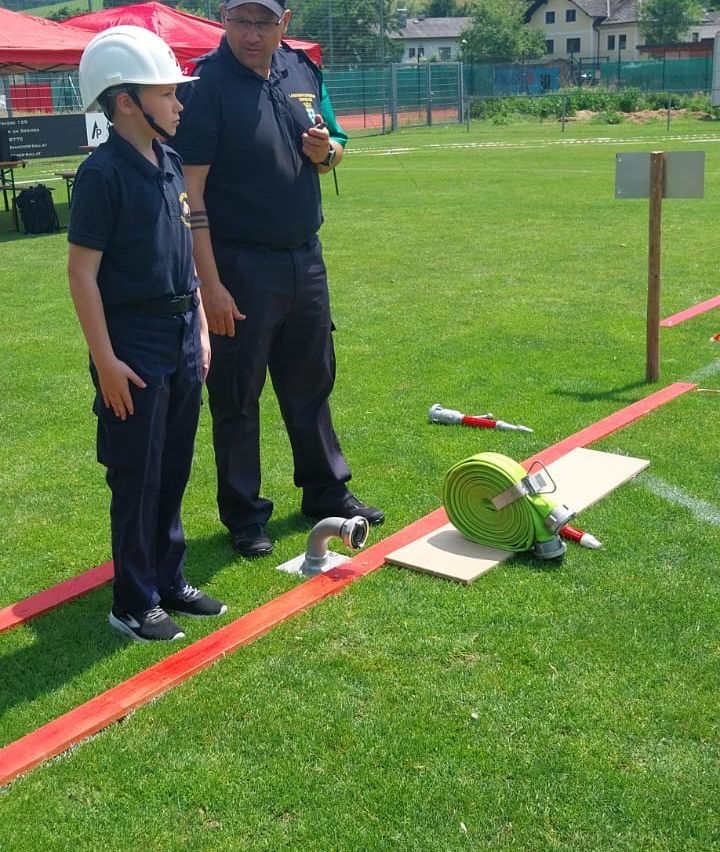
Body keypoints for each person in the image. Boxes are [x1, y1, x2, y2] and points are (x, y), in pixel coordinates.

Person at [171, 0, 384, 558]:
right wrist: (209, 284)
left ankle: (326, 491)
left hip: (304, 257)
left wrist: (328, 152)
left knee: (312, 381)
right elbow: (190, 195)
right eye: (241, 21)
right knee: (238, 395)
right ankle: (245, 515)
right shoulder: (204, 86)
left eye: (264, 21)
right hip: (239, 265)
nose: (252, 33)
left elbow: (334, 145)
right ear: (224, 21)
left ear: (283, 23)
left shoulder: (300, 70)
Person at [68, 26, 228, 642]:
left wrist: (200, 331)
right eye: (167, 94)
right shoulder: (101, 174)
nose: (179, 104)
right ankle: (132, 601)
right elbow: (82, 276)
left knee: (175, 465)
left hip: (182, 334)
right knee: (136, 475)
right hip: (131, 342)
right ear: (127, 101)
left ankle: (167, 579)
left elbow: (183, 248)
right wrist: (105, 359)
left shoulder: (166, 161)